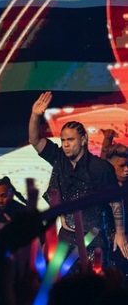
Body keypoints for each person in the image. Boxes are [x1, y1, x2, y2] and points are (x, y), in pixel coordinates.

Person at [29, 91, 128, 265]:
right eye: (63, 140)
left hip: (93, 237)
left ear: (83, 140)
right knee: (60, 281)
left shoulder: (100, 167)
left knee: (93, 283)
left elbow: (115, 202)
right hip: (66, 237)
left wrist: (120, 233)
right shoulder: (58, 157)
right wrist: (35, 116)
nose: (66, 144)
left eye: (71, 140)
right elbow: (35, 140)